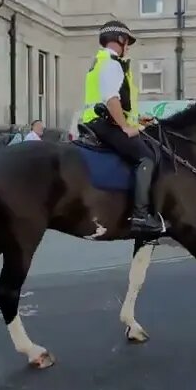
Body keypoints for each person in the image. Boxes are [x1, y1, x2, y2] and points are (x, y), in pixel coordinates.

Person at [80, 20, 163, 234]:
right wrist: (126, 127)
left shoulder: (100, 62)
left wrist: (137, 121)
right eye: (128, 42)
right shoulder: (111, 63)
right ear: (121, 40)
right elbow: (111, 100)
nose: (128, 47)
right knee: (146, 157)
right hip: (104, 124)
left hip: (98, 121)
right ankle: (140, 215)